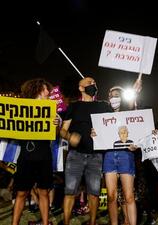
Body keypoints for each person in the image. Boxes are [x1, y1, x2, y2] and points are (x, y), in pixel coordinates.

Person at [60, 77, 113, 225]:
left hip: (96, 156)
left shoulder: (103, 106)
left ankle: (92, 222)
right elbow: (63, 131)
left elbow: (114, 126)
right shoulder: (74, 106)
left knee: (94, 193)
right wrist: (70, 137)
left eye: (95, 83)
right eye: (89, 83)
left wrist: (102, 133)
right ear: (81, 88)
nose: (93, 85)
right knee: (70, 192)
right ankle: (66, 222)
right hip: (75, 155)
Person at [11, 78, 59, 225]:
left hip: (44, 156)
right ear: (38, 90)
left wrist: (56, 125)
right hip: (26, 156)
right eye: (46, 90)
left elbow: (55, 135)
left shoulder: (51, 111)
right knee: (21, 193)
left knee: (44, 192)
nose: (48, 92)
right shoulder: (22, 109)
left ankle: (45, 223)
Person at [103, 86, 137, 225]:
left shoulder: (130, 114)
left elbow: (139, 133)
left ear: (122, 98)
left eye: (116, 95)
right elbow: (100, 136)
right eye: (111, 96)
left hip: (126, 156)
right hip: (109, 156)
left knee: (128, 196)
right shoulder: (103, 115)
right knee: (111, 196)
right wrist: (95, 133)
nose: (113, 98)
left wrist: (136, 144)